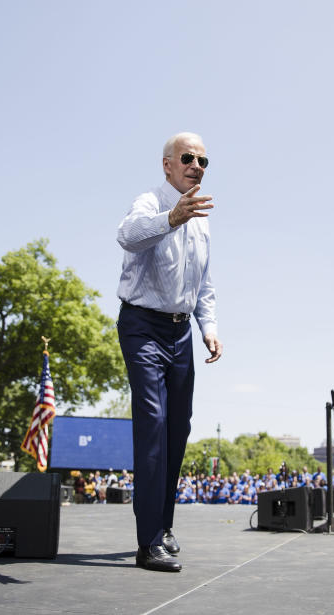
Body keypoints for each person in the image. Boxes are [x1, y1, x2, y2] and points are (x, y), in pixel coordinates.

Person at [116, 132, 223, 572]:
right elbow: (128, 237)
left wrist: (209, 327)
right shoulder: (149, 201)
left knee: (178, 429)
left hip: (180, 334)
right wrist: (172, 218)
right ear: (167, 164)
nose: (196, 165)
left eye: (203, 159)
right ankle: (148, 543)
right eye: (187, 158)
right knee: (153, 426)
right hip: (142, 326)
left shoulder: (203, 218)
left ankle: (163, 525)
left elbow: (204, 284)